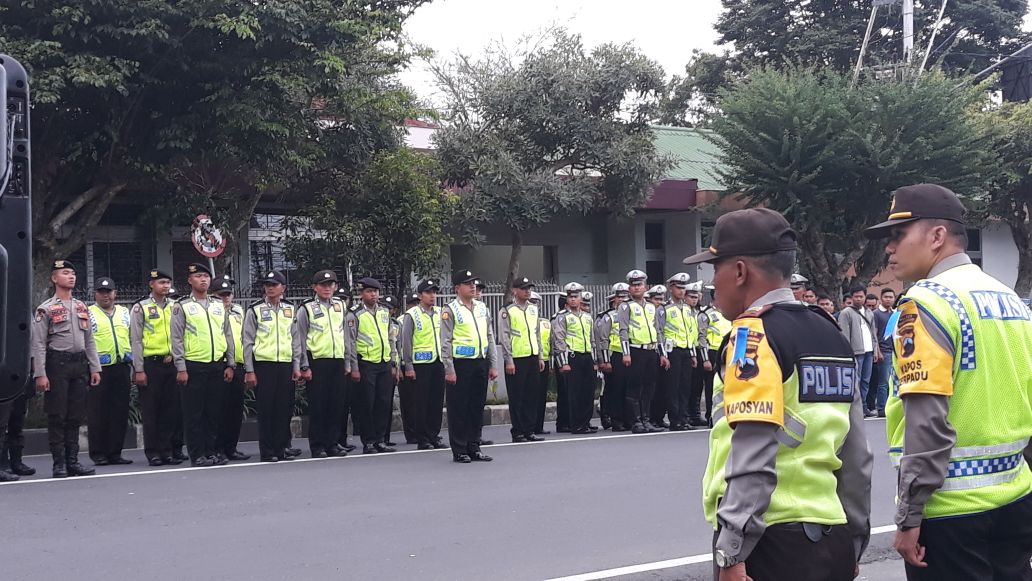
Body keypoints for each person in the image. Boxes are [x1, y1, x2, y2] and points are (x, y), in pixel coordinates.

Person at [685, 208, 873, 581]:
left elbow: (753, 453)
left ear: (739, 272)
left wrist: (732, 550)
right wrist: (853, 539)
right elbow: (856, 456)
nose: (712, 282)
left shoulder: (751, 337)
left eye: (714, 268)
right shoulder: (830, 334)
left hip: (771, 541)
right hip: (832, 534)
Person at [865, 183, 1032, 580]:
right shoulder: (1009, 299)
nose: (889, 248)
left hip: (951, 511)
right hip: (1016, 496)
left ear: (937, 236)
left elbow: (927, 422)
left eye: (898, 235)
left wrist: (910, 515)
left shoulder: (925, 303)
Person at [30, 260, 102, 478]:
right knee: (57, 415)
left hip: (79, 365)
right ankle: (58, 463)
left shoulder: (81, 307)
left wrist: (95, 368)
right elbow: (39, 343)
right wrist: (40, 373)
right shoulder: (46, 309)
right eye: (65, 273)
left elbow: (89, 339)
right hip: (57, 365)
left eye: (73, 273)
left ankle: (73, 461)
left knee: (75, 415)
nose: (71, 277)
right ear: (54, 278)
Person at [171, 263, 236, 467]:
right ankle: (197, 454)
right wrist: (181, 367)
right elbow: (177, 338)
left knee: (213, 412)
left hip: (216, 364)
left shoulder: (218, 304)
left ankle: (211, 451)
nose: (203, 280)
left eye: (206, 276)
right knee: (194, 413)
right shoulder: (182, 306)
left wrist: (230, 363)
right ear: (190, 280)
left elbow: (227, 334)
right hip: (193, 365)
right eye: (198, 276)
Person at [440, 269, 497, 463]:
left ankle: (474, 446)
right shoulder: (450, 310)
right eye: (468, 283)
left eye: (474, 282)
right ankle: (460, 449)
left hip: (480, 362)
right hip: (460, 364)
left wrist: (493, 364)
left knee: (476, 407)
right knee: (459, 408)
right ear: (457, 288)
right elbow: (445, 341)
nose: (473, 286)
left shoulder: (482, 307)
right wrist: (449, 369)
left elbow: (489, 336)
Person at [291, 270, 349, 459]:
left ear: (335, 286)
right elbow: (300, 337)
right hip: (317, 360)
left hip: (337, 359)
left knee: (336, 405)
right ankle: (317, 445)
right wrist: (304, 366)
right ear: (315, 287)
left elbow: (345, 335)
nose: (327, 288)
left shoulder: (340, 305)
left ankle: (332, 443)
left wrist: (347, 361)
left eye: (330, 285)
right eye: (323, 285)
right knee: (319, 406)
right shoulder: (306, 308)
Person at [130, 269, 184, 466]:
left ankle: (167, 450)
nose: (166, 286)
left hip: (172, 363)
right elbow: (136, 340)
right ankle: (153, 452)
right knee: (152, 410)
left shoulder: (175, 307)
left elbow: (180, 335)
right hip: (150, 364)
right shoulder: (141, 307)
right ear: (151, 284)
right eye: (161, 282)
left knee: (170, 410)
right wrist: (139, 369)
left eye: (168, 282)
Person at [243, 270, 298, 463]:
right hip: (264, 365)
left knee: (284, 408)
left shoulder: (290, 309)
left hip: (285, 363)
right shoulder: (255, 309)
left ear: (283, 288)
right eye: (267, 285)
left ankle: (282, 448)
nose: (270, 288)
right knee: (266, 409)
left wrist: (296, 366)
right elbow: (247, 341)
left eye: (274, 285)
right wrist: (250, 370)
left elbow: (295, 340)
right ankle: (267, 451)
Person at [345, 277, 397, 455]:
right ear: (362, 294)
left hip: (383, 362)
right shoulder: (355, 313)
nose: (373, 294)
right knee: (367, 404)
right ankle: (368, 441)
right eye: (369, 291)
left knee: (383, 402)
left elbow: (391, 338)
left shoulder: (384, 312)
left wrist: (393, 361)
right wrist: (354, 367)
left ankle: (381, 439)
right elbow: (350, 342)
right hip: (365, 363)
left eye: (375, 291)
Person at [87, 277, 134, 466]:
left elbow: (132, 336)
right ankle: (98, 453)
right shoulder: (89, 312)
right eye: (101, 292)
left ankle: (115, 452)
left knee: (119, 411)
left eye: (108, 292)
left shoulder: (124, 312)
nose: (105, 295)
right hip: (99, 369)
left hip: (122, 366)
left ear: (115, 293)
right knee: (98, 412)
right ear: (95, 294)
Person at [617, 270, 669, 434]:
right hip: (635, 350)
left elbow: (658, 331)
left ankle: (646, 419)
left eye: (639, 284)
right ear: (629, 288)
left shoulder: (651, 307)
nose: (636, 288)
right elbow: (623, 330)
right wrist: (626, 353)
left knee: (649, 387)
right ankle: (636, 421)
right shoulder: (626, 306)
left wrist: (662, 354)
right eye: (633, 285)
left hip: (651, 350)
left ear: (645, 286)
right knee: (635, 387)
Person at [401, 279, 448, 450]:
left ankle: (433, 435)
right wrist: (409, 366)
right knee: (421, 402)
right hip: (420, 363)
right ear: (420, 295)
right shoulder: (412, 314)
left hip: (438, 362)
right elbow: (406, 341)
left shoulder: (441, 312)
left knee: (436, 402)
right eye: (428, 292)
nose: (432, 296)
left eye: (434, 292)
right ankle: (422, 438)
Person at [498, 276, 545, 443]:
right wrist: (508, 359)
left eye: (529, 288)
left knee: (531, 395)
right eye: (524, 288)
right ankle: (517, 431)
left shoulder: (533, 309)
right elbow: (504, 336)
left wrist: (540, 355)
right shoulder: (507, 310)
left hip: (532, 356)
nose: (527, 291)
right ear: (514, 291)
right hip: (516, 359)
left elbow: (537, 333)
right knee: (517, 396)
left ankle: (529, 429)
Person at [552, 282, 597, 435]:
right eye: (570, 297)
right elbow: (559, 340)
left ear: (580, 298)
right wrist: (563, 362)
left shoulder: (587, 317)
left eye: (576, 297)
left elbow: (592, 339)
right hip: (572, 357)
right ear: (567, 299)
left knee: (588, 391)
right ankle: (576, 424)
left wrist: (595, 360)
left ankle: (584, 422)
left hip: (586, 356)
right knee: (574, 393)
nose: (573, 300)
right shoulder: (562, 317)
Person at [213, 277, 250, 461]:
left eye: (228, 294)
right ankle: (217, 449)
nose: (226, 298)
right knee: (219, 410)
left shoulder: (238, 311)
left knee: (235, 410)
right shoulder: (213, 311)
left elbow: (244, 337)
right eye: (221, 295)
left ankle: (231, 447)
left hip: (239, 364)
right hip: (222, 365)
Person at [659, 273, 699, 431]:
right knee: (673, 387)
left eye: (683, 287)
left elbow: (691, 332)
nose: (681, 291)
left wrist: (693, 354)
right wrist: (663, 354)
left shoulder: (688, 309)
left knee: (685, 387)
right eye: (678, 287)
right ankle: (675, 419)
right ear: (671, 288)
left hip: (686, 351)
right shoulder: (664, 309)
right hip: (672, 351)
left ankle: (684, 418)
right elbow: (659, 332)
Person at [837, 285, 881, 418]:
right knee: (855, 380)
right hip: (855, 352)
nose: (859, 299)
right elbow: (844, 334)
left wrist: (875, 350)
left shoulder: (869, 312)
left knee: (865, 381)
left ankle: (863, 406)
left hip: (868, 351)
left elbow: (873, 333)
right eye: (856, 296)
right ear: (851, 297)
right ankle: (855, 408)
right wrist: (847, 352)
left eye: (861, 296)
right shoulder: (846, 313)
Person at [694, 285, 730, 427]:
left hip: (726, 353)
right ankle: (711, 416)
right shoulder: (705, 314)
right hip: (712, 353)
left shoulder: (727, 313)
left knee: (726, 387)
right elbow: (701, 337)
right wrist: (706, 359)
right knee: (711, 388)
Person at [595, 284, 629, 431]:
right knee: (616, 389)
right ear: (614, 298)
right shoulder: (608, 316)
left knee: (629, 390)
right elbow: (603, 340)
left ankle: (628, 419)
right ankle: (616, 420)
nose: (622, 299)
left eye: (625, 297)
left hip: (630, 354)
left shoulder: (631, 314)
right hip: (614, 355)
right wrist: (605, 361)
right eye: (620, 296)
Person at [869, 288, 896, 417]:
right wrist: (877, 351)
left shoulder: (896, 313)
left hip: (895, 352)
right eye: (886, 297)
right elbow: (874, 333)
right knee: (883, 382)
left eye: (891, 297)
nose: (888, 299)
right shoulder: (876, 314)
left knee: (893, 382)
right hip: (883, 351)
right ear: (881, 298)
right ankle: (881, 408)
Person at [531, 292, 552, 436]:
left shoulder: (545, 322)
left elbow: (550, 341)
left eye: (536, 303)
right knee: (531, 395)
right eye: (532, 302)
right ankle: (529, 426)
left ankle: (539, 425)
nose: (534, 305)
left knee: (541, 395)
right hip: (530, 360)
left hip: (544, 361)